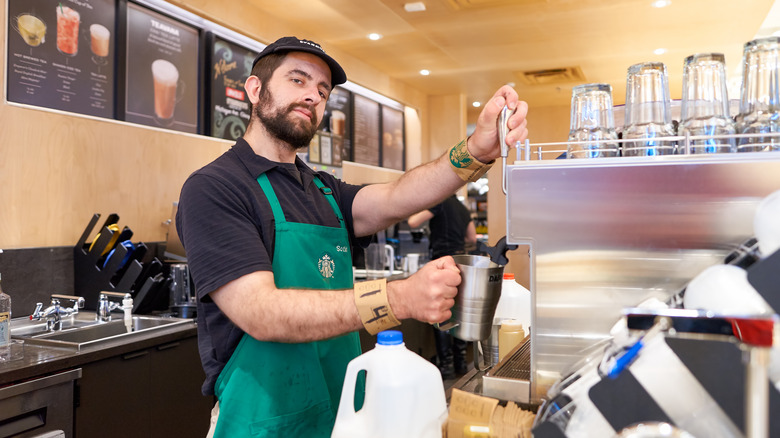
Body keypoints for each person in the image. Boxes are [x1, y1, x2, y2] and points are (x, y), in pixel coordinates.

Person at [176, 36, 528, 438]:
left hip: (342, 414)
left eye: (323, 91)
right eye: (298, 80)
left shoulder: (324, 190)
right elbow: (261, 312)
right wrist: (398, 297)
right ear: (255, 90)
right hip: (262, 421)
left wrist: (478, 149)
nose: (313, 96)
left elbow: (399, 196)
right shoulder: (215, 187)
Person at [408, 194, 477, 379]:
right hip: (460, 264)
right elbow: (472, 237)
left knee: (442, 313)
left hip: (441, 263)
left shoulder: (438, 201)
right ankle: (461, 362)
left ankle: (446, 365)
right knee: (458, 312)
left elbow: (413, 222)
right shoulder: (462, 209)